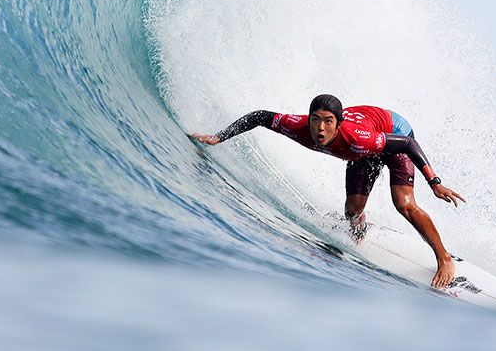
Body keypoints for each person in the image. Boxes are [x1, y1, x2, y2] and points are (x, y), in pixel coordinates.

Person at [189, 94, 466, 289]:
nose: (320, 129)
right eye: (315, 120)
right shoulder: (298, 126)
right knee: (352, 211)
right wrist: (218, 137)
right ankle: (360, 229)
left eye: (328, 121)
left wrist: (434, 182)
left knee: (403, 204)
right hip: (364, 149)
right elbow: (260, 116)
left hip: (396, 134)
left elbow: (407, 144)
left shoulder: (358, 138)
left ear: (338, 122)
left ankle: (444, 257)